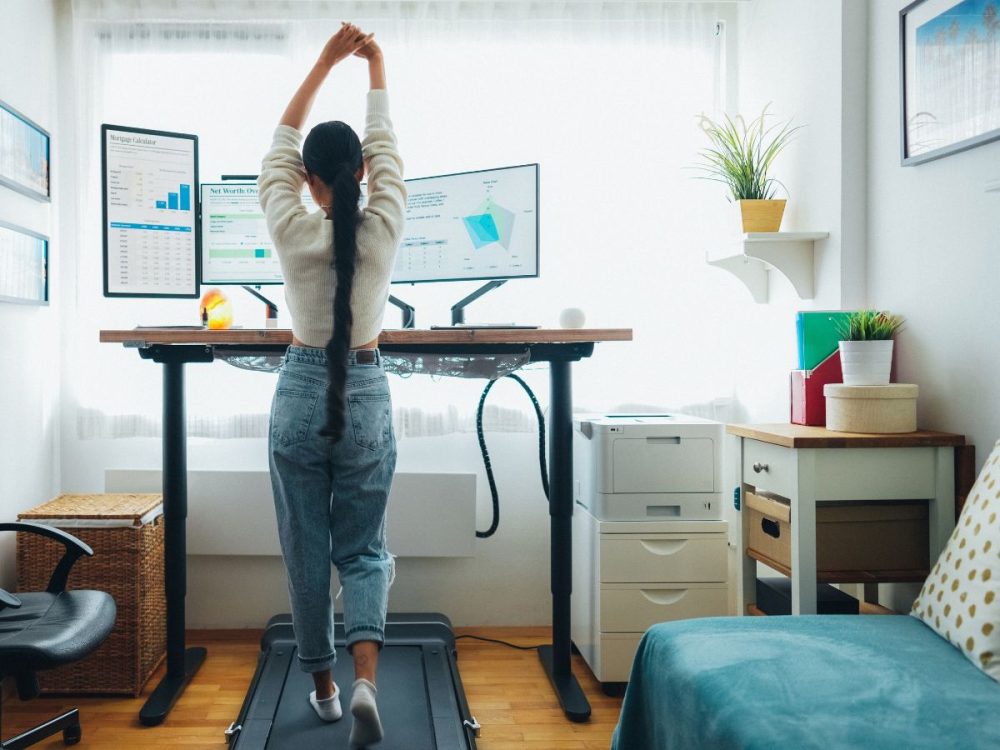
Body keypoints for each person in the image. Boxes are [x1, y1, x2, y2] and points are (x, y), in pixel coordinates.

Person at [258, 22, 405, 748]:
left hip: (298, 392)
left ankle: (320, 689)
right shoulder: (383, 227)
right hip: (367, 392)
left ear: (310, 184)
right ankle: (366, 683)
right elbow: (387, 150)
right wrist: (374, 66)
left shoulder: (290, 225)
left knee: (306, 549)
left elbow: (278, 147)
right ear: (366, 177)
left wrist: (324, 62)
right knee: (365, 548)